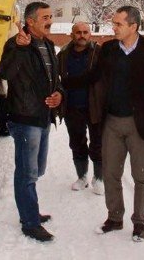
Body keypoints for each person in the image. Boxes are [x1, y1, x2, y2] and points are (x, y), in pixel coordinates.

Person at [95, 6, 144, 242]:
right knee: (110, 173)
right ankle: (115, 217)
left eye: (118, 24)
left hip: (139, 124)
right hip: (112, 123)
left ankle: (139, 222)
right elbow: (94, 79)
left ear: (133, 26)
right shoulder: (107, 49)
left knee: (141, 176)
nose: (113, 28)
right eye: (113, 23)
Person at [0, 1, 63, 242]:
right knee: (26, 172)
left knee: (37, 170)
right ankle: (30, 222)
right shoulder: (16, 44)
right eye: (45, 17)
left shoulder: (48, 44)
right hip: (25, 119)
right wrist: (20, 48)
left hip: (43, 117)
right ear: (31, 21)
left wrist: (59, 94)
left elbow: (55, 79)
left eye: (51, 16)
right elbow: (4, 73)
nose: (50, 21)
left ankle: (30, 210)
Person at [57, 22, 103, 194]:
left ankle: (99, 178)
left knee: (98, 144)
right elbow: (58, 80)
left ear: (90, 34)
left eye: (85, 32)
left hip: (95, 106)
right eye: (78, 32)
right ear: (71, 34)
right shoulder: (62, 54)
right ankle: (82, 177)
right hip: (72, 107)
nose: (82, 35)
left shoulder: (98, 53)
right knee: (77, 143)